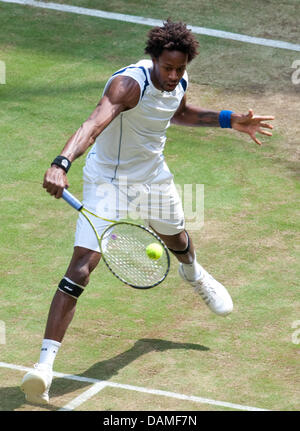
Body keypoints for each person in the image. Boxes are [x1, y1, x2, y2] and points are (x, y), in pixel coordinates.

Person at [20, 19, 274, 404]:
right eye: (168, 68)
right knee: (82, 266)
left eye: (180, 69)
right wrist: (62, 162)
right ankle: (44, 367)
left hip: (152, 177)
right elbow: (92, 124)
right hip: (107, 182)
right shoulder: (127, 85)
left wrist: (229, 120)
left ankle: (193, 274)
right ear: (153, 59)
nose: (173, 76)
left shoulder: (178, 82)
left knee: (177, 238)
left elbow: (178, 113)